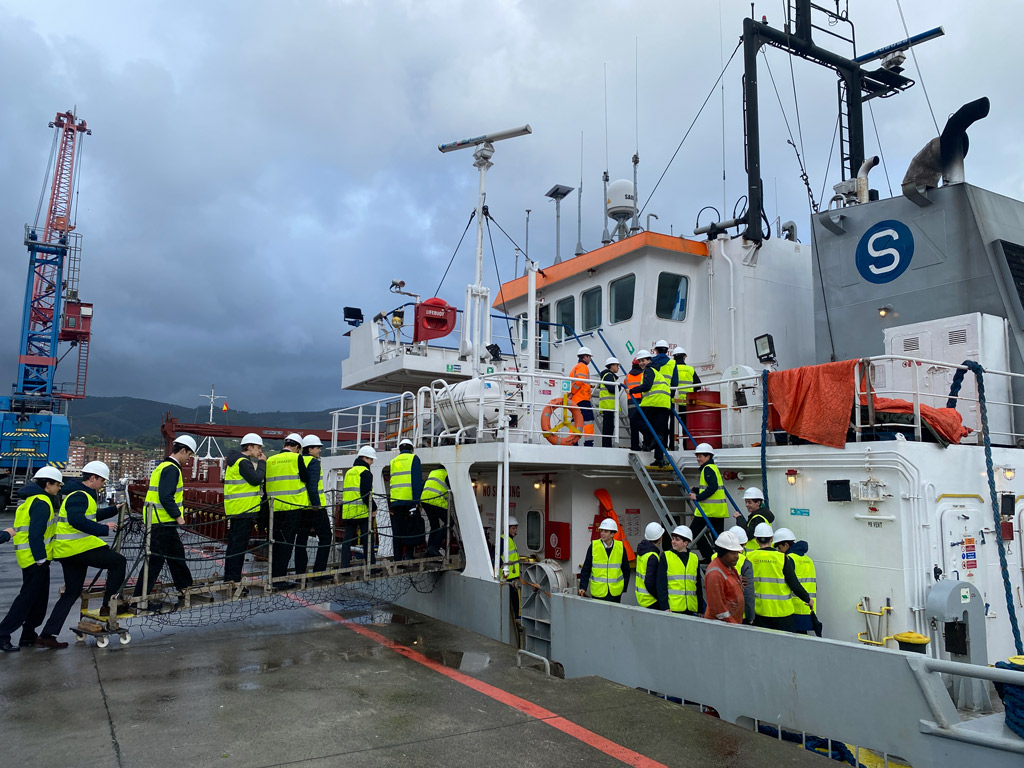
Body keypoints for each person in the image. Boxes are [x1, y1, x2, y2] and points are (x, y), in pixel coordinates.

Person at [39, 461, 125, 645]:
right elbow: (77, 520)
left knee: (72, 593)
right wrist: (103, 529)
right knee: (118, 562)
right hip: (77, 549)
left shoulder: (80, 494)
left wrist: (114, 509)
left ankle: (47, 635)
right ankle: (108, 606)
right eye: (102, 480)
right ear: (93, 478)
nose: (103, 484)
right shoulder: (80, 495)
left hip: (69, 551)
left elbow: (90, 516)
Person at [0, 467, 63, 652]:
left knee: (39, 600)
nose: (59, 488)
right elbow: (36, 534)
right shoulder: (41, 502)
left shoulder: (28, 501)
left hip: (29, 558)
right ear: (48, 484)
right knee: (26, 600)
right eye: (57, 484)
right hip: (36, 560)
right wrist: (40, 558)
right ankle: (3, 634)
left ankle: (28, 635)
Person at [133, 436, 197, 607]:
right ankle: (139, 600)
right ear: (183, 450)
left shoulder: (162, 466)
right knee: (155, 561)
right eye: (189, 454)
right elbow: (166, 497)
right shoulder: (172, 469)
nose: (188, 459)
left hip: (159, 521)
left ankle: (185, 588)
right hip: (163, 522)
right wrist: (179, 516)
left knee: (176, 556)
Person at [265, 433, 310, 588]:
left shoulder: (270, 460)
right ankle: (280, 580)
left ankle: (273, 576)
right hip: (292, 507)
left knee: (275, 543)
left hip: (274, 508)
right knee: (287, 544)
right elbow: (305, 478)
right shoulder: (297, 458)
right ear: (297, 447)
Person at [746, 523, 811, 631]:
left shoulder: (749, 557)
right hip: (783, 613)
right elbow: (794, 584)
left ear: (756, 540)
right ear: (771, 539)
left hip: (760, 612)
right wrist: (808, 599)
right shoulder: (782, 558)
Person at [223, 433, 266, 585]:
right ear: (250, 447)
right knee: (239, 548)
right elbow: (256, 479)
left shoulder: (233, 462)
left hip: (234, 509)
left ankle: (229, 577)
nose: (260, 450)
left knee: (233, 546)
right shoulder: (243, 462)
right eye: (258, 447)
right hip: (244, 510)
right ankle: (234, 579)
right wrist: (262, 463)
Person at [296, 435, 332, 580]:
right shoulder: (313, 462)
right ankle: (319, 572)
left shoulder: (298, 460)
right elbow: (312, 486)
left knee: (301, 541)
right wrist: (316, 504)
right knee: (326, 538)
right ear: (309, 449)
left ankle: (300, 574)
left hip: (301, 507)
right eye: (317, 448)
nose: (320, 450)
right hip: (316, 508)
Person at [627, 349, 671, 467]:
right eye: (640, 361)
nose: (642, 363)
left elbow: (647, 386)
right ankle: (659, 458)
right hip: (664, 403)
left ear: (649, 360)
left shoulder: (649, 370)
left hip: (653, 401)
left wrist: (631, 390)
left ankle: (652, 437)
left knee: (635, 420)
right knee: (660, 431)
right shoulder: (657, 372)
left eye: (644, 360)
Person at [687, 443, 728, 560]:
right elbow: (711, 487)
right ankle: (719, 560)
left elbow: (713, 487)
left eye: (700, 456)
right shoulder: (713, 468)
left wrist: (697, 497)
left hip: (708, 511)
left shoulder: (707, 469)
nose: (697, 459)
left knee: (693, 533)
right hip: (718, 511)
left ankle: (709, 556)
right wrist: (695, 489)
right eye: (697, 456)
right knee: (718, 539)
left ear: (708, 457)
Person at [776, 528, 818, 635]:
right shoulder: (808, 560)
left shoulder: (788, 559)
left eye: (779, 548)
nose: (779, 551)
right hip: (808, 608)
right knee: (802, 639)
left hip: (794, 608)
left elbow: (791, 583)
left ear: (786, 545)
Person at [578, 518, 631, 602]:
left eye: (606, 531)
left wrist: (623, 588)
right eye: (601, 531)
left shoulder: (620, 547)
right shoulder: (594, 546)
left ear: (612, 534)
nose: (602, 533)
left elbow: (626, 569)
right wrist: (583, 587)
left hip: (615, 592)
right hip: (598, 592)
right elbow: (586, 568)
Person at [341, 446, 377, 568]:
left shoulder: (349, 472)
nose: (372, 462)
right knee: (368, 540)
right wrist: (374, 508)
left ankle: (344, 567)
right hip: (362, 512)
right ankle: (371, 566)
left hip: (348, 512)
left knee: (347, 541)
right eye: (371, 459)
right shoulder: (365, 473)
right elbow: (366, 494)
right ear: (365, 458)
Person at [389, 438, 423, 560]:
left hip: (396, 502)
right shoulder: (414, 458)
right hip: (409, 501)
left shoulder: (393, 461)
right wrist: (417, 502)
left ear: (400, 449)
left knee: (397, 531)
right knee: (411, 529)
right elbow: (416, 481)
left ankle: (397, 559)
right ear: (412, 449)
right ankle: (408, 556)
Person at [658, 525, 702, 615]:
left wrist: (700, 609)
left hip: (691, 608)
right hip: (673, 608)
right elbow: (661, 584)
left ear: (686, 542)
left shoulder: (694, 558)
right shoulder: (666, 556)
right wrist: (665, 607)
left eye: (677, 540)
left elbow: (698, 585)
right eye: (673, 539)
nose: (673, 542)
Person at [704, 530, 745, 623]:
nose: (737, 556)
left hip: (731, 623)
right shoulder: (715, 574)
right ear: (722, 553)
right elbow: (718, 609)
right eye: (733, 553)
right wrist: (733, 625)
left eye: (737, 553)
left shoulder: (729, 567)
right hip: (721, 626)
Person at [651, 340, 679, 450]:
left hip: (651, 397)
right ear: (667, 351)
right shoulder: (672, 363)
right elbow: (675, 382)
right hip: (665, 398)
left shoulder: (651, 362)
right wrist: (670, 396)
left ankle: (651, 445)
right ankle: (663, 447)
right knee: (663, 424)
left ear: (656, 350)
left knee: (651, 423)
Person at [727, 526, 756, 624]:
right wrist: (750, 615)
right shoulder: (744, 562)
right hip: (738, 614)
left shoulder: (715, 557)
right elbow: (748, 592)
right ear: (745, 543)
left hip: (720, 612)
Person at [672, 347, 700, 449]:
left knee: (672, 427)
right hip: (687, 403)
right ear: (684, 357)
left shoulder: (671, 369)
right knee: (686, 427)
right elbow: (698, 385)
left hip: (673, 403)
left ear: (674, 358)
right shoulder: (690, 369)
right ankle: (686, 447)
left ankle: (672, 446)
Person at [634, 521, 665, 610]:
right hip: (651, 600)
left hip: (642, 597)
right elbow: (650, 582)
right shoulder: (652, 556)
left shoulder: (642, 552)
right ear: (660, 538)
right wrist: (660, 597)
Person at [569, 347, 596, 446]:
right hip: (582, 398)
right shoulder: (583, 367)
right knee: (588, 420)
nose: (590, 359)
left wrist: (571, 393)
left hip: (576, 399)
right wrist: (573, 392)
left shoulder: (575, 367)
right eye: (589, 357)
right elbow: (579, 381)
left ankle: (573, 441)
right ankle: (588, 442)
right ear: (585, 357)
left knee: (576, 420)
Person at [421, 466, 450, 557]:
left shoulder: (432, 472)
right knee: (449, 522)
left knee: (434, 526)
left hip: (425, 500)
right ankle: (434, 547)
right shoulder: (446, 474)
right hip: (436, 501)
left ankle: (429, 550)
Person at [597, 356, 621, 448]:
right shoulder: (609, 376)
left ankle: (607, 445)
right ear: (612, 366)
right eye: (617, 366)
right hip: (608, 406)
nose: (618, 368)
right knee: (608, 428)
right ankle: (607, 446)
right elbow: (611, 389)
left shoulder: (607, 376)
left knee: (608, 428)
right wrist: (619, 387)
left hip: (607, 406)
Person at [501, 516, 521, 622]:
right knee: (512, 599)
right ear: (507, 528)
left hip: (513, 576)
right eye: (513, 528)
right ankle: (515, 618)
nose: (515, 530)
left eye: (516, 528)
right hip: (507, 576)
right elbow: (496, 555)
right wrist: (501, 565)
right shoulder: (503, 540)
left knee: (515, 599)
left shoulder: (510, 540)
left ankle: (516, 617)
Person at [624, 357, 644, 451]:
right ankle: (646, 444)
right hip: (641, 401)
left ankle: (634, 446)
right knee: (644, 423)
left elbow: (626, 388)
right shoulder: (644, 374)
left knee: (633, 425)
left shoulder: (627, 377)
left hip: (631, 402)